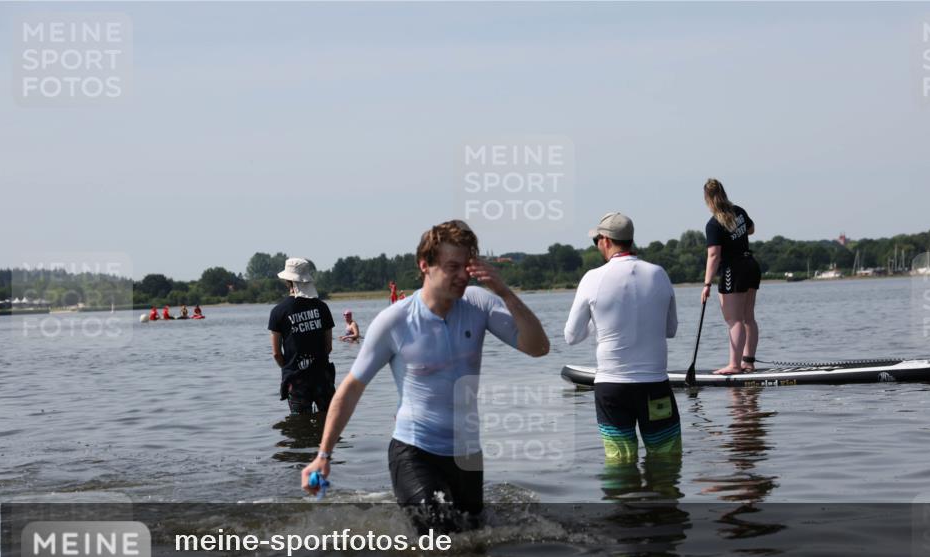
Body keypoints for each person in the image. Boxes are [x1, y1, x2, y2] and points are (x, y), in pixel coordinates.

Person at [301, 220, 549, 531]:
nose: (462, 276)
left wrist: (504, 292)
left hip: (467, 454)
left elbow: (539, 348)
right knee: (438, 530)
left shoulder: (479, 304)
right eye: (452, 267)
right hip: (415, 451)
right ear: (425, 266)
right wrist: (323, 455)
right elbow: (351, 388)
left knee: (473, 542)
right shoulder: (395, 321)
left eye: (467, 267)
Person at [564, 212, 681, 462]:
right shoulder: (659, 274)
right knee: (666, 460)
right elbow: (670, 330)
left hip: (612, 389)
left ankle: (623, 500)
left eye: (596, 240)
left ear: (605, 240)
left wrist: (597, 326)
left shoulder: (592, 279)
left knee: (619, 462)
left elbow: (571, 336)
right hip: (654, 386)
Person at [700, 179, 761, 374]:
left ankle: (734, 365)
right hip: (751, 266)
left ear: (707, 199)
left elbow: (714, 255)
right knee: (748, 317)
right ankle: (748, 362)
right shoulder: (739, 211)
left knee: (734, 320)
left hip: (733, 270)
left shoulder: (713, 224)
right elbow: (751, 229)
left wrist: (707, 284)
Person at [268, 258, 336, 415]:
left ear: (287, 281)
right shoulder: (322, 307)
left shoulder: (278, 311)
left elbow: (276, 353)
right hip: (322, 377)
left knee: (299, 428)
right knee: (328, 420)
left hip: (296, 380)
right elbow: (328, 347)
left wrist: (291, 368)